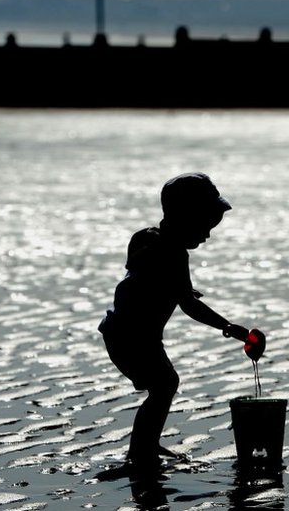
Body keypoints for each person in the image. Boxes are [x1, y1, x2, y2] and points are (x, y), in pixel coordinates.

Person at [98, 172, 249, 477]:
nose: (207, 236)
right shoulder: (172, 252)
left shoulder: (147, 238)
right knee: (164, 385)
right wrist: (228, 326)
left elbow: (146, 279)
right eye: (205, 227)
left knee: (163, 385)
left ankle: (145, 445)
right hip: (133, 336)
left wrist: (178, 288)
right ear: (185, 217)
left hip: (125, 331)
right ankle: (141, 450)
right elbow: (188, 305)